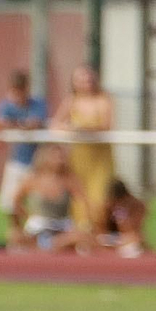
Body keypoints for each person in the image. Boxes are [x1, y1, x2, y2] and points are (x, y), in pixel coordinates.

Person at [0, 70, 49, 240]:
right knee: (11, 202)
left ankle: (36, 236)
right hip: (18, 161)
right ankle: (16, 235)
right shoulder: (7, 105)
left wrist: (12, 124)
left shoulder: (38, 104)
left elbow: (34, 124)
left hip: (38, 163)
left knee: (38, 203)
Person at [51, 63, 115, 215]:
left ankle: (99, 230)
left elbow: (106, 126)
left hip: (100, 157)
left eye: (88, 78)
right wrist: (69, 129)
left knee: (100, 196)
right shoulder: (72, 100)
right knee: (80, 197)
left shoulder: (103, 99)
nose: (86, 82)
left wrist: (84, 129)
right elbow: (56, 123)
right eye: (80, 79)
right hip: (79, 156)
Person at [10, 145, 88, 253]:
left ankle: (48, 246)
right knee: (15, 237)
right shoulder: (32, 179)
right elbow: (15, 201)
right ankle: (47, 246)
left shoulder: (69, 180)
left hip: (62, 228)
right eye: (56, 156)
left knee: (81, 237)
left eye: (62, 156)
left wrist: (83, 224)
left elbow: (84, 202)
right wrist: (25, 217)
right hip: (37, 228)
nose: (60, 160)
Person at [96, 179, 148, 258]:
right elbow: (100, 227)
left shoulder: (137, 205)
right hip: (109, 238)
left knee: (134, 239)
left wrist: (120, 214)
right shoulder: (107, 205)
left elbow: (132, 230)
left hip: (128, 238)